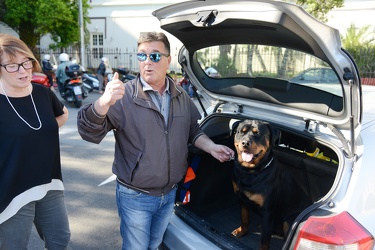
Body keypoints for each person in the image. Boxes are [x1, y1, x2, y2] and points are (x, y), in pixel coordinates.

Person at [77, 31, 234, 250]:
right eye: (142, 56)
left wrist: (212, 147)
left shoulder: (181, 96)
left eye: (155, 56)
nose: (147, 62)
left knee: (155, 245)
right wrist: (102, 103)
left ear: (168, 60)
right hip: (135, 196)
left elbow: (192, 131)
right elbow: (89, 132)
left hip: (169, 193)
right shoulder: (123, 97)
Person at [0, 34, 70, 249]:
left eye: (26, 62)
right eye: (12, 66)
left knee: (60, 239)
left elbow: (63, 114)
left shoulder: (42, 93)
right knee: (15, 246)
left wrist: (39, 133)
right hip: (12, 191)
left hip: (50, 183)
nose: (23, 70)